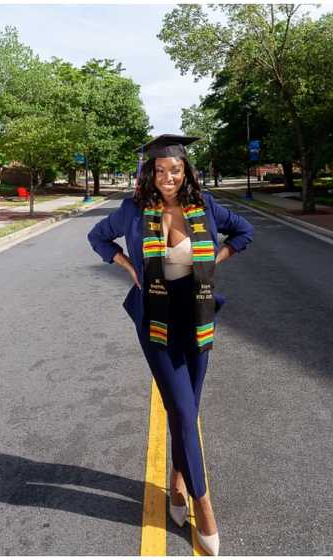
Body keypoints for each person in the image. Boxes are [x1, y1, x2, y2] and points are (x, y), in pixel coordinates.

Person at [87, 134, 254, 556]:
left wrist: (213, 263)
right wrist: (127, 267)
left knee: (187, 410)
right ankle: (204, 504)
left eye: (174, 170)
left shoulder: (204, 207)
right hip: (156, 322)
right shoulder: (132, 210)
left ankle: (178, 486)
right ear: (149, 173)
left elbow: (244, 231)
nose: (167, 177)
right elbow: (98, 238)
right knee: (181, 409)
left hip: (197, 319)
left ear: (186, 172)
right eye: (159, 170)